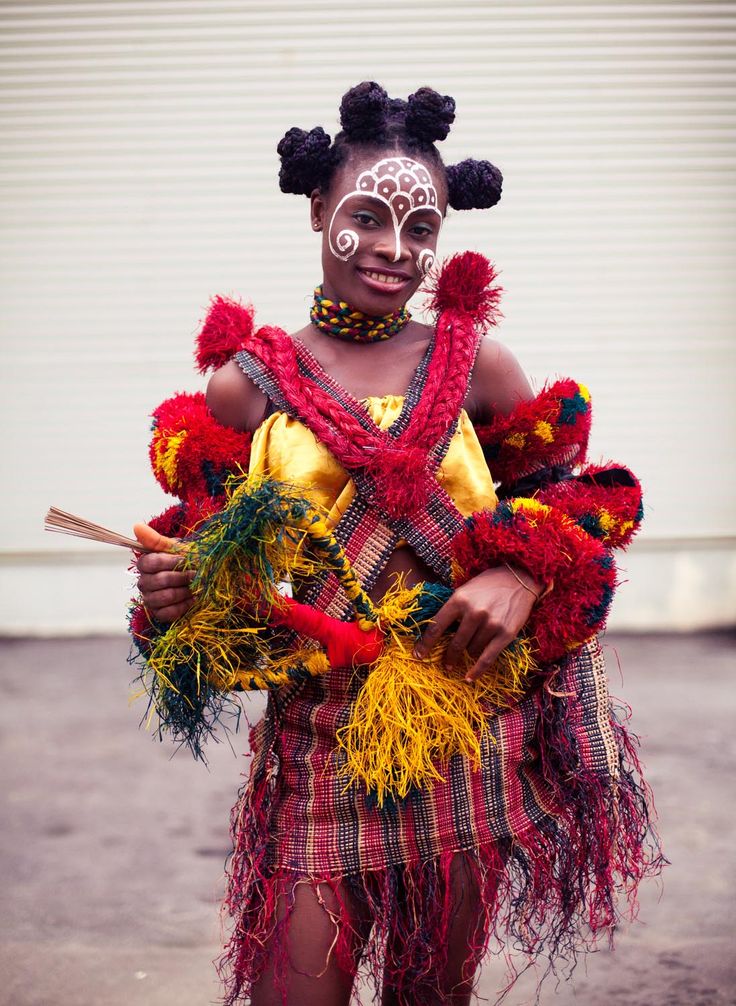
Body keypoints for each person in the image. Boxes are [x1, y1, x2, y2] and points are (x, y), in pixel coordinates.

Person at [132, 82, 662, 1006]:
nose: (393, 248)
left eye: (421, 229)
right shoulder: (243, 387)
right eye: (367, 216)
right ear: (316, 212)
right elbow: (216, 583)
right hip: (317, 742)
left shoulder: (480, 367)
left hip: (468, 738)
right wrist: (180, 598)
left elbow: (584, 506)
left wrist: (520, 573)